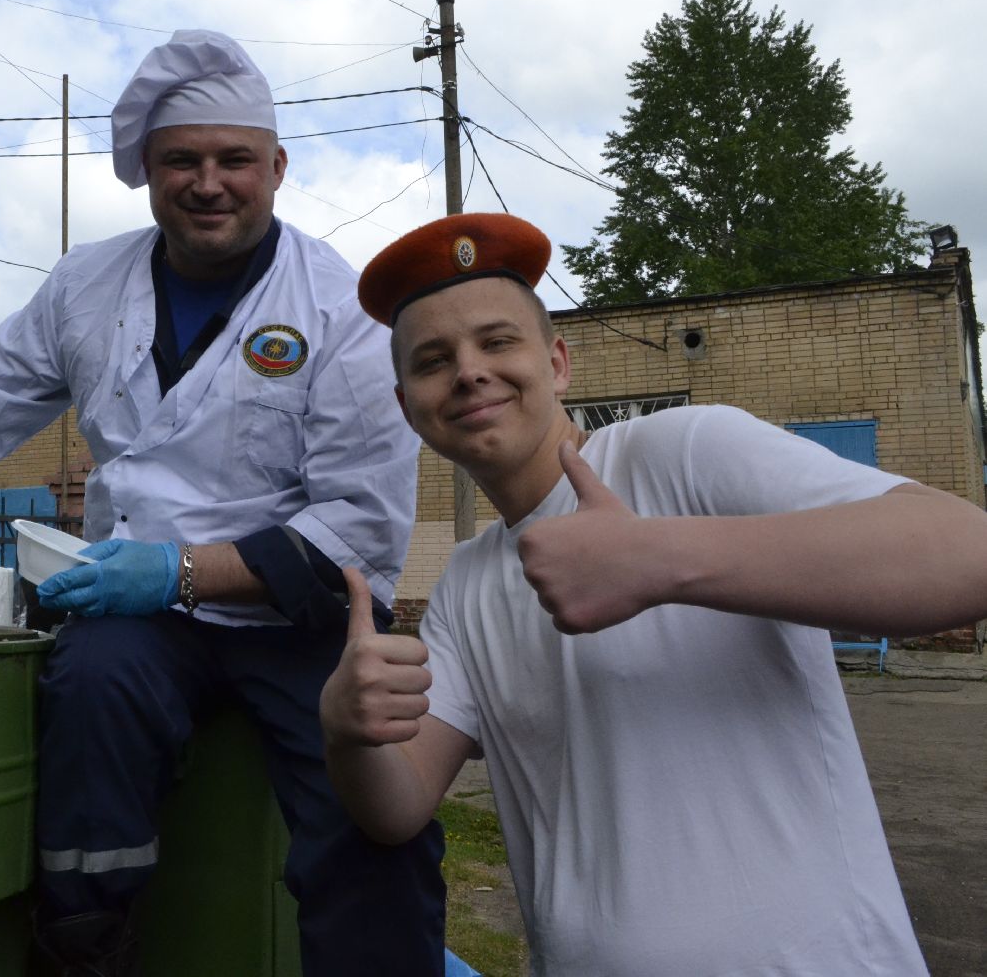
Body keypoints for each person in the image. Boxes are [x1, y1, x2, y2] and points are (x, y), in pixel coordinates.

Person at [0, 30, 446, 976]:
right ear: (146, 171)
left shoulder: (344, 308)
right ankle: (84, 945)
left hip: (298, 614)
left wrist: (177, 571)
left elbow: (354, 529)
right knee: (90, 689)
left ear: (277, 167)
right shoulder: (85, 285)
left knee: (369, 799)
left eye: (235, 160)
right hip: (145, 620)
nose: (209, 183)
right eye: (180, 160)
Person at [320, 210, 987, 975]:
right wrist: (347, 730)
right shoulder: (466, 585)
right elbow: (396, 807)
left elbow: (967, 554)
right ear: (408, 407)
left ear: (560, 362)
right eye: (434, 360)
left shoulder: (685, 451)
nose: (469, 370)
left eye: (498, 341)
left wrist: (656, 558)